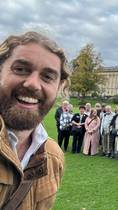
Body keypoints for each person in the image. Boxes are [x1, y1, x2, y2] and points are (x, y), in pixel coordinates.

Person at [0, 31, 70, 209]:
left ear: (59, 86)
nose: (32, 84)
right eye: (21, 69)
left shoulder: (53, 157)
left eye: (47, 76)